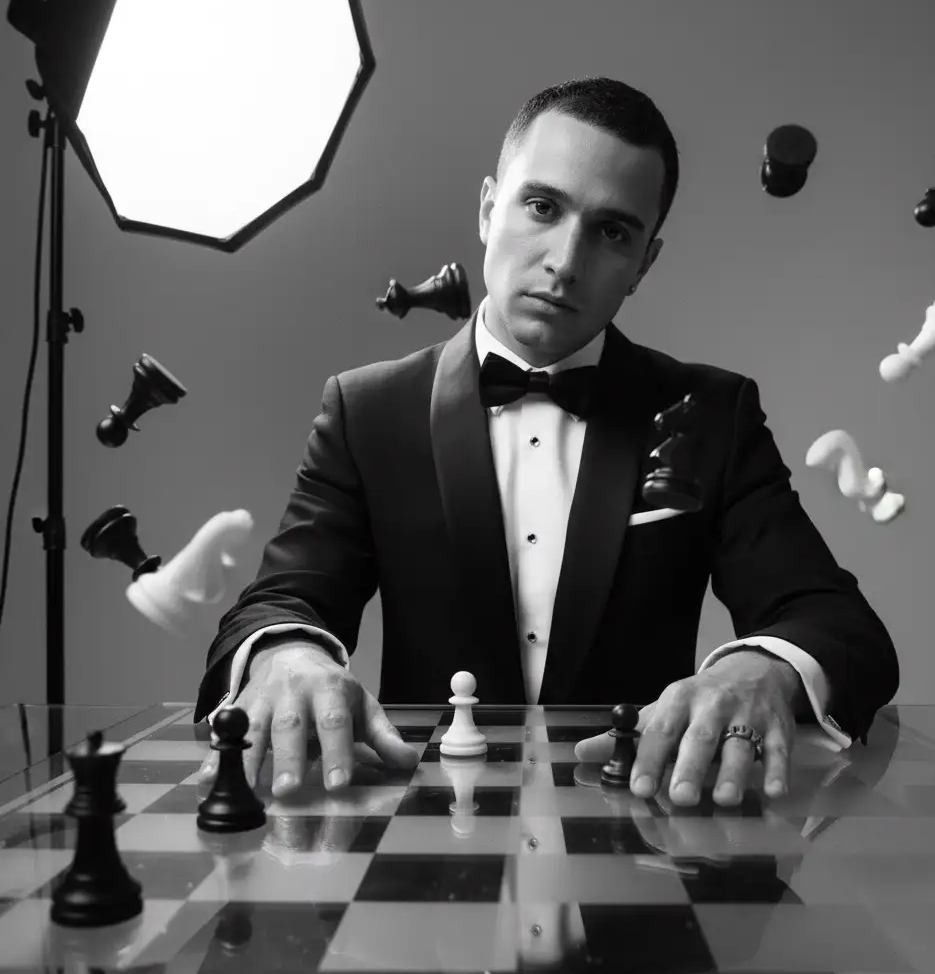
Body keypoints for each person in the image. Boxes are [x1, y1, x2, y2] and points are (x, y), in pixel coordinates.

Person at [195, 76, 898, 810]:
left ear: (644, 265)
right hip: (425, 856)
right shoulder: (368, 409)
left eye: (613, 231)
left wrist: (760, 669)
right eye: (542, 206)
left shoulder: (712, 414)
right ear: (488, 207)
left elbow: (841, 627)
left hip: (646, 839)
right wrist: (287, 651)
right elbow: (280, 600)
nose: (566, 260)